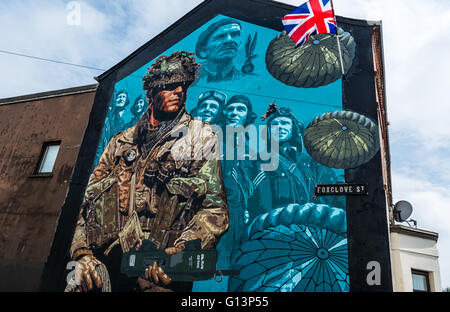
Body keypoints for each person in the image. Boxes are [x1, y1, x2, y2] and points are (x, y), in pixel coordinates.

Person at [69, 51, 229, 292]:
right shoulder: (120, 142)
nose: (179, 92)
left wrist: (181, 252)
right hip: (106, 268)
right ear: (151, 93)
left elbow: (214, 209)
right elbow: (85, 204)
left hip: (159, 275)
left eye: (183, 86)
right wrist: (81, 253)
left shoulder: (200, 137)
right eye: (170, 86)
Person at [250, 107, 345, 215]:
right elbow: (260, 197)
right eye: (274, 124)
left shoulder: (309, 162)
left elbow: (329, 190)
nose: (279, 127)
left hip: (309, 223)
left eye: (285, 123)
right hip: (278, 223)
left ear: (293, 129)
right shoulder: (260, 159)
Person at [195, 18, 244, 82]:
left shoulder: (245, 78)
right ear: (203, 51)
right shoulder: (189, 76)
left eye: (235, 34)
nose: (229, 40)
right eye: (220, 36)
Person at [95, 90, 131, 165]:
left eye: (124, 97)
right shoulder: (107, 114)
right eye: (119, 97)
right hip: (99, 149)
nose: (121, 99)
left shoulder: (121, 122)